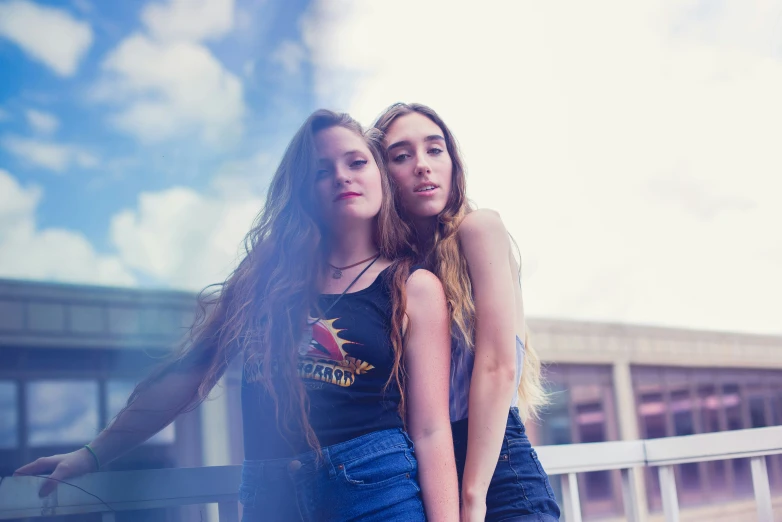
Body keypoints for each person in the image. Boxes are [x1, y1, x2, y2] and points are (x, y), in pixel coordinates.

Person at [15, 110, 459, 522]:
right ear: (303, 191)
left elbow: (430, 429)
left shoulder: (413, 287)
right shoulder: (267, 276)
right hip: (270, 497)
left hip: (375, 490)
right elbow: (193, 373)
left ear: (380, 175)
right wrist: (92, 455)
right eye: (321, 171)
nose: (341, 176)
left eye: (356, 162)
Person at [373, 103, 561, 522]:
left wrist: (473, 496)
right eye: (402, 156)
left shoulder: (479, 229)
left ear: (454, 165)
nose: (422, 165)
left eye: (434, 150)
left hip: (496, 473)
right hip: (423, 473)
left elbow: (497, 366)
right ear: (383, 176)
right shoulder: (393, 270)